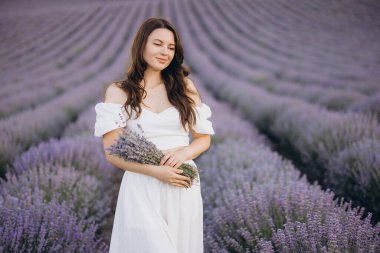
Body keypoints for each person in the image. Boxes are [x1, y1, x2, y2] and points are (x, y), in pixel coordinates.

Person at [93, 17, 215, 253]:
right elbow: (111, 152)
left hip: (182, 184)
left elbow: (203, 138)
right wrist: (157, 171)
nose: (165, 52)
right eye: (158, 44)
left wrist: (183, 153)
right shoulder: (119, 92)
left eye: (171, 47)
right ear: (142, 45)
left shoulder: (184, 87)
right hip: (142, 185)